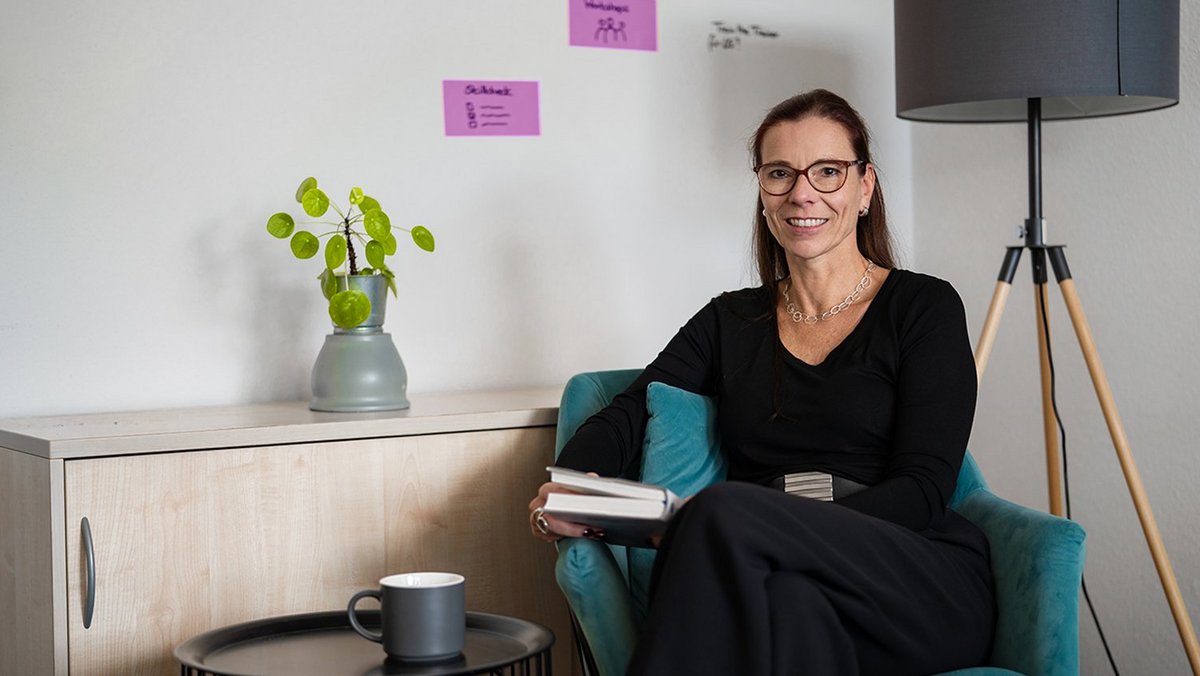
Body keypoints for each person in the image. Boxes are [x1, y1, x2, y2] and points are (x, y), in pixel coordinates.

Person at [527, 89, 995, 674]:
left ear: (865, 186)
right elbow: (629, 413)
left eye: (828, 172)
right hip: (773, 574)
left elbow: (925, 490)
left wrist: (755, 521)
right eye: (780, 173)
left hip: (912, 577)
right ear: (763, 190)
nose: (802, 193)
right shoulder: (731, 320)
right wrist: (573, 486)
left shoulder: (924, 306)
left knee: (723, 514)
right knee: (788, 607)